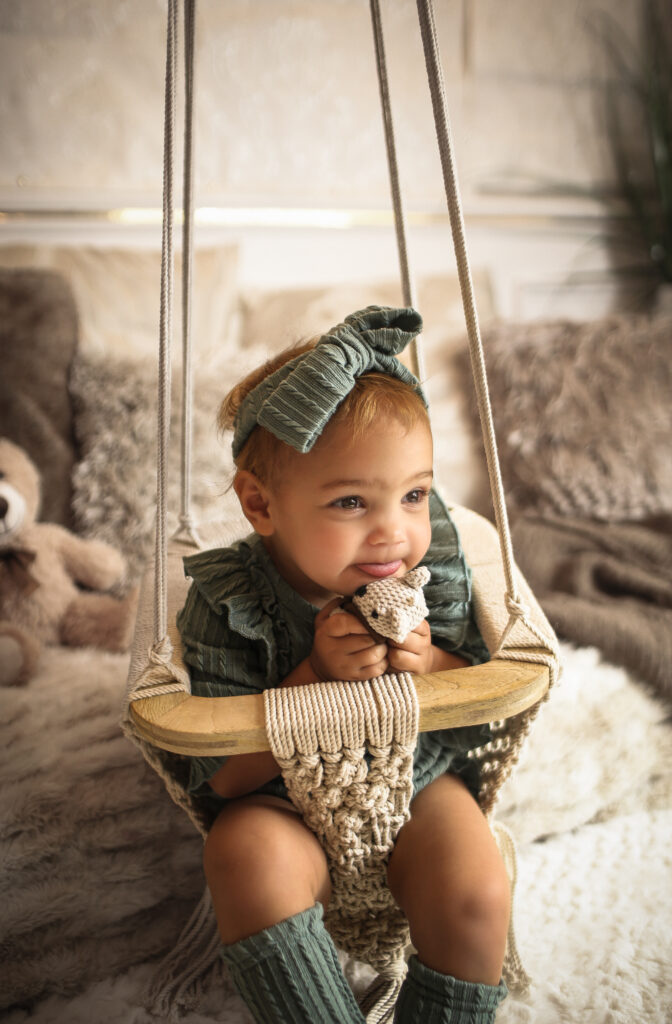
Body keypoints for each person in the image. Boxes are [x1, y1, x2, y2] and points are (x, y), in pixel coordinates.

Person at [178, 306, 510, 1024]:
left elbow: (484, 693)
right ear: (260, 504)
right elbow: (223, 776)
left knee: (477, 887)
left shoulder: (436, 570)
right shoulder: (228, 600)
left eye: (414, 495)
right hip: (278, 803)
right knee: (241, 856)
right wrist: (312, 681)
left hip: (414, 777)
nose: (394, 529)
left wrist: (428, 662)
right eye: (351, 501)